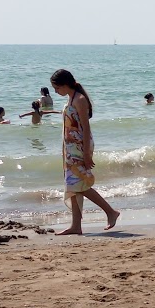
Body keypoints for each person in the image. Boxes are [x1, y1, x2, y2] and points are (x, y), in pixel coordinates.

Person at [50, 69, 121, 234]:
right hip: (70, 147)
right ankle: (76, 226)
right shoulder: (71, 99)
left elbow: (86, 128)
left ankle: (111, 212)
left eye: (57, 88)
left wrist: (87, 154)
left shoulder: (80, 100)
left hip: (80, 147)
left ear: (65, 84)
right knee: (72, 185)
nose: (55, 91)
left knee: (79, 184)